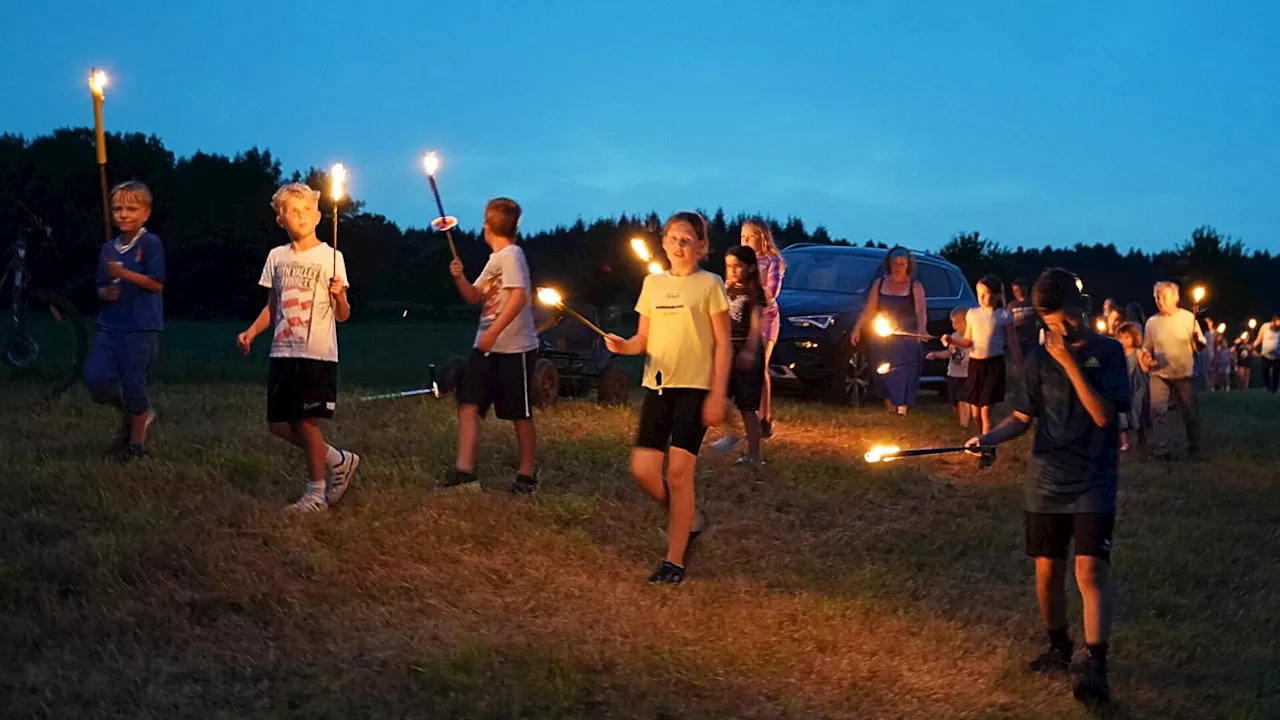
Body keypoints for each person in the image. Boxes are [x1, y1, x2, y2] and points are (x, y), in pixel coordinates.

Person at [965, 268, 1130, 707]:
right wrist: (988, 438)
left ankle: (1096, 665)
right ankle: (1059, 648)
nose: (1059, 328)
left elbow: (1103, 417)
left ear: (1080, 308)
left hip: (1093, 477)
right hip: (1047, 479)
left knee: (1090, 571)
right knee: (1047, 571)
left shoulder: (1109, 352)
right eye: (1050, 321)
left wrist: (1071, 363)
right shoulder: (1037, 361)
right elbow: (1022, 417)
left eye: (1063, 318)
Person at [605, 211, 730, 585]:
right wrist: (622, 345)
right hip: (657, 387)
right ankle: (687, 517)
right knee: (643, 470)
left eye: (687, 239)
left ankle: (674, 561)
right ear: (663, 243)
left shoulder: (711, 284)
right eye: (673, 238)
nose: (679, 245)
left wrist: (717, 394)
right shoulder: (653, 284)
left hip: (695, 388)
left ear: (701, 247)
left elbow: (723, 343)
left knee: (678, 473)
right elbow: (642, 340)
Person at [237, 183, 360, 512]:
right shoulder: (276, 258)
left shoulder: (332, 258)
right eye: (293, 210)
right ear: (281, 220)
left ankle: (315, 493)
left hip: (316, 354)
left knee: (307, 423)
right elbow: (272, 307)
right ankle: (338, 459)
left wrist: (339, 296)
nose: (300, 216)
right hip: (282, 351)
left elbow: (344, 315)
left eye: (306, 209)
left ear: (319, 215)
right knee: (278, 425)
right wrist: (251, 332)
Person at [442, 198, 541, 494]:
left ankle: (526, 475)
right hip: (486, 345)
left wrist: (494, 332)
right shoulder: (495, 260)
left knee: (519, 413)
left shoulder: (512, 254)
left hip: (515, 348)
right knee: (468, 403)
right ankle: (464, 472)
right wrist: (460, 277)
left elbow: (518, 297)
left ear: (487, 226)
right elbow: (475, 296)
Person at [85, 181, 166, 462]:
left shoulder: (150, 244)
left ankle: (136, 445)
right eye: (117, 208)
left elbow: (156, 284)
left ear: (145, 213)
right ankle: (139, 413)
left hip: (141, 326)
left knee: (133, 383)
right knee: (96, 380)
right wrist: (106, 291)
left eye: (131, 208)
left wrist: (125, 274)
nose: (123, 214)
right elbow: (100, 286)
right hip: (110, 325)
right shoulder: (108, 249)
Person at [850, 246, 927, 416]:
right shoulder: (880, 284)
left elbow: (921, 310)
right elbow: (870, 309)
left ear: (908, 265)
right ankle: (888, 403)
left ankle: (902, 406)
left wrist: (922, 328)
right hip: (882, 336)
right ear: (889, 264)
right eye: (895, 263)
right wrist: (857, 328)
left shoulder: (915, 286)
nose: (898, 267)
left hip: (905, 336)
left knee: (902, 370)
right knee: (881, 369)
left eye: (902, 263)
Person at [949, 274, 1023, 434]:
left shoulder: (1004, 316)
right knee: (976, 413)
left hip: (994, 366)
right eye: (979, 293)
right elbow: (968, 341)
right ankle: (986, 439)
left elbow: (1012, 343)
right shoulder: (972, 314)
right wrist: (951, 341)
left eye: (986, 294)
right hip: (976, 366)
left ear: (997, 296)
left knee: (986, 411)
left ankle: (986, 448)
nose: (981, 298)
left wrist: (1019, 363)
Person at [1142, 282, 1204, 460]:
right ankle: (1163, 450)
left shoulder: (1188, 318)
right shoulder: (1152, 322)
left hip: (1183, 373)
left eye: (1163, 297)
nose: (1159, 301)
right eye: (1157, 297)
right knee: (1158, 411)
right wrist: (1145, 356)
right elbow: (1147, 346)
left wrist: (1197, 341)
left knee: (1189, 412)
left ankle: (1194, 446)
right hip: (1159, 372)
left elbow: (1199, 346)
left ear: (1175, 298)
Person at [740, 219, 785, 438]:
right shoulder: (739, 262)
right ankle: (749, 414)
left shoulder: (772, 261)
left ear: (762, 238)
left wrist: (751, 291)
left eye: (750, 236)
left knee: (760, 366)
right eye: (743, 237)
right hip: (745, 319)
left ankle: (763, 418)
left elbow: (772, 291)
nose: (746, 240)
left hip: (766, 319)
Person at [723, 245, 766, 469]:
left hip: (746, 351)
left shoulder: (755, 292)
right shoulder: (726, 289)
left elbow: (756, 324)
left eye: (737, 266)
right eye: (729, 266)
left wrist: (750, 349)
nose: (733, 270)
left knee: (747, 406)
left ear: (749, 267)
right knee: (719, 394)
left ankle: (754, 454)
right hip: (726, 350)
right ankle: (732, 433)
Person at [926, 307, 972, 428]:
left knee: (964, 399)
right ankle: (960, 419)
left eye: (957, 322)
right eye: (952, 322)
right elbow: (949, 353)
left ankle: (964, 424)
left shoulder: (972, 338)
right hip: (953, 374)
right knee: (955, 401)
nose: (954, 325)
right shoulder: (954, 336)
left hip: (966, 375)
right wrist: (935, 355)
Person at [1115, 322, 1152, 451]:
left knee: (1138, 410)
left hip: (1137, 385)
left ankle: (1141, 438)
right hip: (1124, 385)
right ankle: (1124, 442)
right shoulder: (1118, 353)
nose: (1123, 340)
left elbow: (1145, 369)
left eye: (1126, 337)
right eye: (1121, 337)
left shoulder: (1138, 352)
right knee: (1121, 414)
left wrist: (1146, 361)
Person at [1254, 313, 1280, 394]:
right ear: (1274, 321)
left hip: (1277, 355)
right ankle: (1268, 387)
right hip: (1266, 354)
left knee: (1276, 373)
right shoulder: (1265, 327)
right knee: (1265, 371)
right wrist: (1253, 346)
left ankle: (1274, 390)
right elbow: (1259, 338)